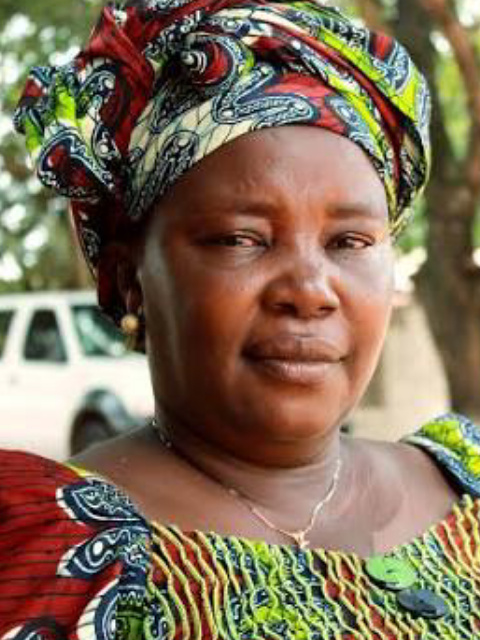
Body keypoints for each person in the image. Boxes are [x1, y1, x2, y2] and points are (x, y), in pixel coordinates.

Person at [2, 0, 480, 637]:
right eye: (240, 239)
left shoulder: (466, 484)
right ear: (129, 280)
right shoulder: (42, 551)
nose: (310, 291)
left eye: (349, 242)